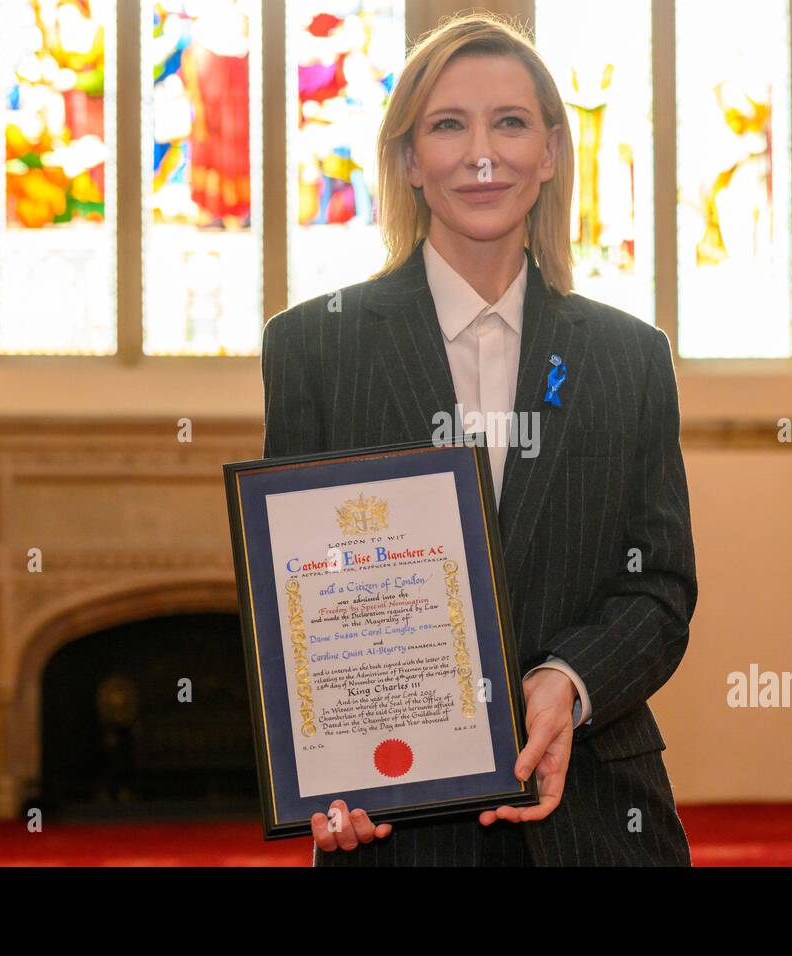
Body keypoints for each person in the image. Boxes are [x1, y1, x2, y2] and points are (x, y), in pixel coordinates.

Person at [261, 12, 696, 866]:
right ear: (408, 162)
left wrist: (567, 684)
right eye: (447, 125)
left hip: (601, 822)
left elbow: (662, 589)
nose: (481, 153)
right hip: (395, 830)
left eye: (510, 122)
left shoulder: (630, 357)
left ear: (551, 153)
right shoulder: (314, 346)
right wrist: (327, 772)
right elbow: (297, 597)